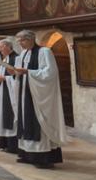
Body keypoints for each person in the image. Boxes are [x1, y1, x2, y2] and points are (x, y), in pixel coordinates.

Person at [7, 30, 66, 168]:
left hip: (37, 94)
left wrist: (28, 72)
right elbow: (19, 72)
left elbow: (50, 73)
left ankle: (42, 158)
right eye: (18, 41)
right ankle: (27, 154)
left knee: (37, 122)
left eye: (22, 40)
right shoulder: (24, 53)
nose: (20, 44)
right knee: (25, 120)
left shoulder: (44, 52)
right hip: (24, 92)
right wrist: (14, 73)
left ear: (31, 39)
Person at [0, 37, 19, 155]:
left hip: (12, 93)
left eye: (1, 47)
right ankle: (6, 143)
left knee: (11, 116)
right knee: (4, 115)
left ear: (8, 46)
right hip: (4, 90)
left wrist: (4, 78)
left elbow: (18, 76)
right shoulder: (5, 59)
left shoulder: (16, 58)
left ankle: (13, 145)